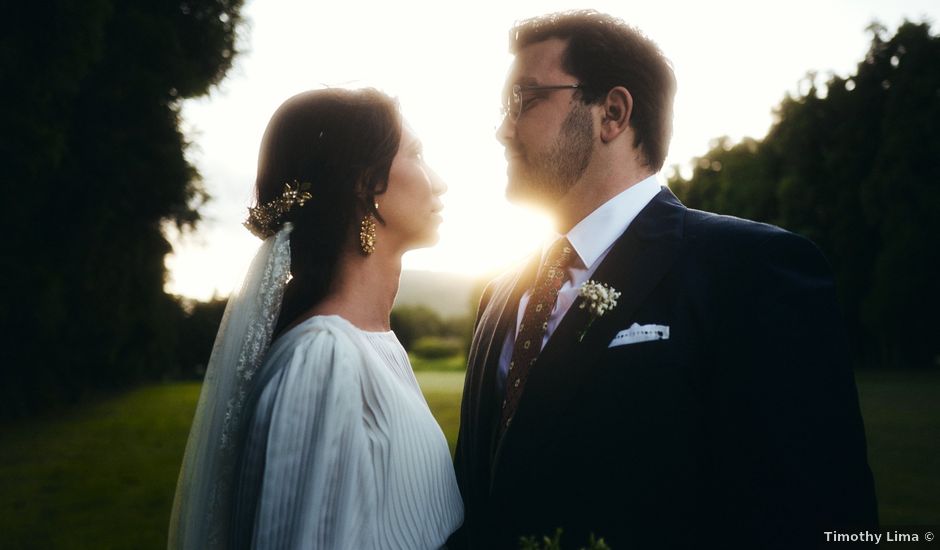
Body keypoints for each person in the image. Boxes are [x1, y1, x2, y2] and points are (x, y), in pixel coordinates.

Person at [450, 10, 878, 549]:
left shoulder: (752, 271)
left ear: (611, 112)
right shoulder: (501, 293)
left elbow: (820, 516)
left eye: (525, 99)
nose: (502, 129)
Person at [169, 88, 463, 549]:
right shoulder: (322, 360)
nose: (440, 182)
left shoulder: (373, 346)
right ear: (365, 186)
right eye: (418, 155)